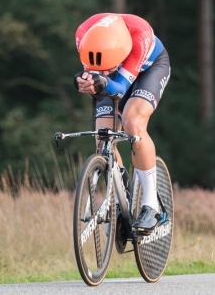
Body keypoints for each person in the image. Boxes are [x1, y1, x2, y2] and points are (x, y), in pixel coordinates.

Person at [73, 13, 171, 234]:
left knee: (132, 123)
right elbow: (92, 72)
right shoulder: (83, 35)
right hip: (111, 78)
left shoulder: (139, 37)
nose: (103, 71)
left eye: (108, 68)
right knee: (102, 137)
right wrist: (83, 80)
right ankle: (122, 195)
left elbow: (119, 88)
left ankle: (151, 206)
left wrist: (104, 79)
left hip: (148, 71)